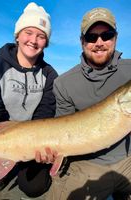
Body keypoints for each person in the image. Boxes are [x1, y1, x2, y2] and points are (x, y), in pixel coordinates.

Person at [44, 7, 131, 200]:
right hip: (86, 165)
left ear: (115, 38)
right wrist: (52, 151)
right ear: (82, 41)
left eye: (106, 35)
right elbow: (62, 132)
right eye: (92, 37)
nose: (99, 43)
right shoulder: (63, 83)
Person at [0, 2, 58, 198]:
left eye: (41, 36)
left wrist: (39, 148)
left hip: (31, 140)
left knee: (34, 188)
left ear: (46, 42)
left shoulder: (50, 74)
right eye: (28, 32)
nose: (34, 40)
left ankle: (18, 165)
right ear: (17, 35)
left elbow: (44, 115)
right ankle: (1, 166)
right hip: (1, 135)